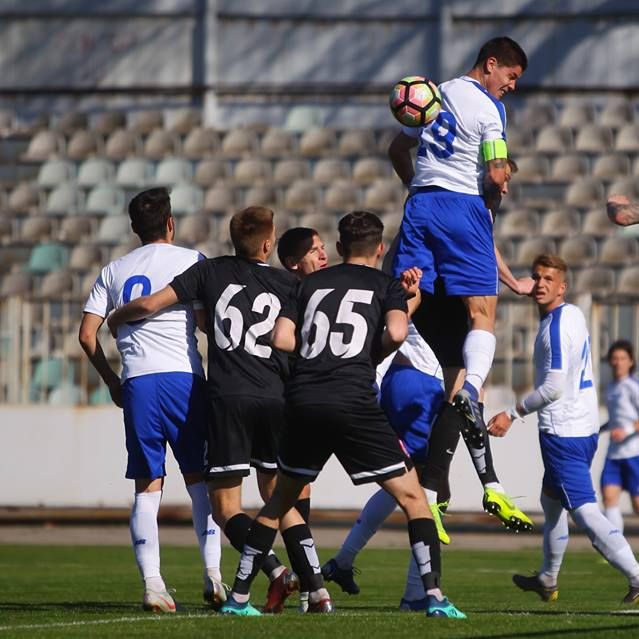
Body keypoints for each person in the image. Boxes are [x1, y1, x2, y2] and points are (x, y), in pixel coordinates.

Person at [220, 211, 466, 618]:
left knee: (278, 502)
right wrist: (397, 313)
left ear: (338, 248)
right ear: (381, 248)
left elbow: (281, 338)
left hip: (305, 400)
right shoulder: (386, 285)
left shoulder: (310, 284)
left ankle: (239, 598)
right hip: (353, 401)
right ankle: (435, 598)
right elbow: (399, 333)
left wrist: (320, 355)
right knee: (413, 498)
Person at [107, 206, 306, 614]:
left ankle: (186, 582)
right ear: (268, 244)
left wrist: (118, 316)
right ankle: (310, 587)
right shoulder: (288, 284)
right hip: (268, 395)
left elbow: (151, 306)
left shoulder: (208, 269)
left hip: (218, 395)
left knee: (210, 500)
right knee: (278, 495)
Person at [78, 187, 223, 613]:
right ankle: (213, 574)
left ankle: (153, 585)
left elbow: (87, 335)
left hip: (138, 381)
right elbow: (203, 320)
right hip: (184, 377)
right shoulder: (192, 260)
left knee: (147, 486)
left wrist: (111, 381)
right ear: (171, 223)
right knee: (201, 481)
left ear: (133, 228)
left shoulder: (114, 270)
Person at [386, 158, 533, 543]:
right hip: (420, 354)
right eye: (503, 181)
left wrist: (513, 281)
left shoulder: (462, 209)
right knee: (463, 397)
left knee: (466, 395)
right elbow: (400, 153)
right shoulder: (456, 199)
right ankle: (480, 488)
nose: (505, 189)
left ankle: (487, 486)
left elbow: (485, 247)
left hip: (427, 321)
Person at [389, 36, 527, 446]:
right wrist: (492, 195)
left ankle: (365, 371)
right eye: (511, 76)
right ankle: (470, 390)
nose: (512, 86)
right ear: (491, 64)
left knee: (408, 295)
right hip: (462, 207)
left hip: (420, 203)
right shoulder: (490, 109)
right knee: (482, 310)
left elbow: (398, 149)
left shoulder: (434, 94)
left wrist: (415, 185)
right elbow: (498, 172)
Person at [487, 254, 639, 604]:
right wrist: (523, 287)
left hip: (563, 432)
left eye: (548, 280)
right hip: (582, 427)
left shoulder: (555, 328)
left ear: (562, 286)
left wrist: (511, 413)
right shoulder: (572, 314)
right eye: (536, 277)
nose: (540, 284)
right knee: (551, 500)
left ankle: (634, 574)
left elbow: (553, 387)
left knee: (584, 511)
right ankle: (548, 577)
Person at [322, 322, 447, 611]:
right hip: (424, 383)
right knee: (425, 487)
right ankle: (417, 594)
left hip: (408, 379)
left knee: (401, 484)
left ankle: (342, 562)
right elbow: (398, 322)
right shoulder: (426, 286)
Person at [275, 225, 328, 612]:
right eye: (315, 250)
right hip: (281, 400)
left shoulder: (321, 293)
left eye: (324, 248)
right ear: (294, 263)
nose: (323, 255)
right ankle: (312, 585)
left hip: (307, 401)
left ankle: (309, 586)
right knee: (284, 495)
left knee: (296, 493)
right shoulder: (291, 294)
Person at [600, 340, 639, 533]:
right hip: (614, 455)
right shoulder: (610, 387)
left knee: (637, 505)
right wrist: (597, 429)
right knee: (609, 497)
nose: (618, 362)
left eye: (623, 358)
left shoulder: (633, 386)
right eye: (615, 358)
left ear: (631, 361)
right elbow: (616, 421)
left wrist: (627, 432)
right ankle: (616, 548)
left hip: (634, 453)